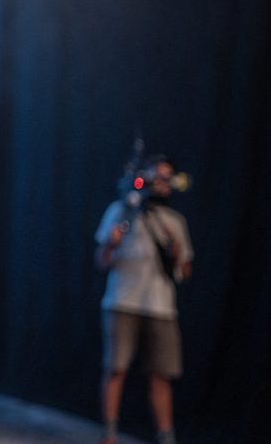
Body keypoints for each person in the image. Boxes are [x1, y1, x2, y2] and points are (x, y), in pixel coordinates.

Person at [95, 155, 194, 444]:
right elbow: (101, 261)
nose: (161, 183)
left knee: (162, 374)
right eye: (156, 176)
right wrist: (111, 243)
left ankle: (166, 436)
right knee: (116, 368)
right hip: (121, 301)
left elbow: (185, 272)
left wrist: (176, 254)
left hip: (161, 307)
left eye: (167, 178)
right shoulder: (121, 211)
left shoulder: (175, 222)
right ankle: (109, 435)